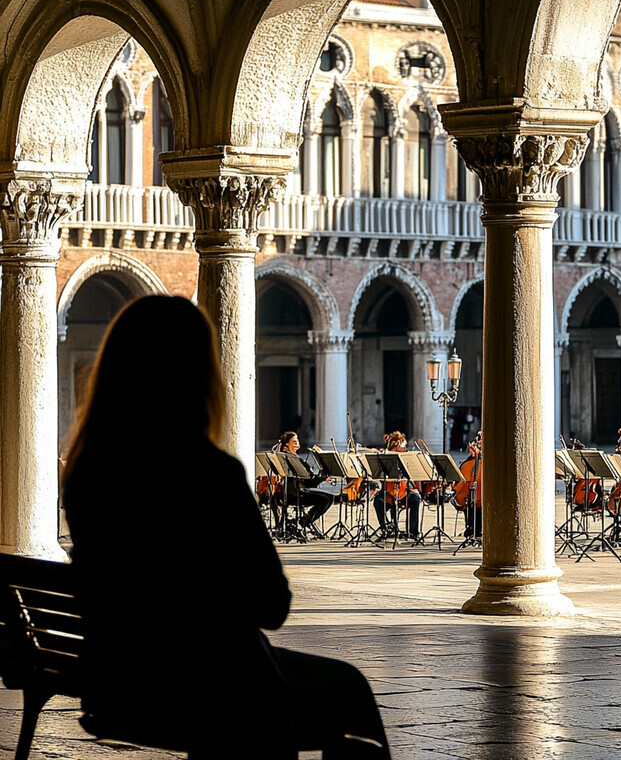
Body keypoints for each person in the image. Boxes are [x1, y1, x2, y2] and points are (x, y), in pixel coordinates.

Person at [62, 296, 390, 759]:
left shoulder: (86, 471)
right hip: (213, 687)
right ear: (198, 376)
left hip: (117, 683)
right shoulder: (208, 472)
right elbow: (272, 605)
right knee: (348, 691)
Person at [277, 430, 337, 533]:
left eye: (297, 441)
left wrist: (322, 479)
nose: (297, 444)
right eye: (294, 442)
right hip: (293, 494)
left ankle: (302, 522)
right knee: (325, 500)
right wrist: (320, 478)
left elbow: (308, 482)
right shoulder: (289, 459)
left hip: (298, 491)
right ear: (287, 444)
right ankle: (303, 522)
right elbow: (307, 480)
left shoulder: (293, 458)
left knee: (329, 497)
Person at [372, 431, 422, 539]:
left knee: (416, 498)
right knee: (377, 501)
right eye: (403, 446)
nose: (405, 449)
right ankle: (386, 529)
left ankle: (413, 531)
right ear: (397, 445)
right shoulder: (385, 457)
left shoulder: (407, 457)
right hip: (387, 493)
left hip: (403, 492)